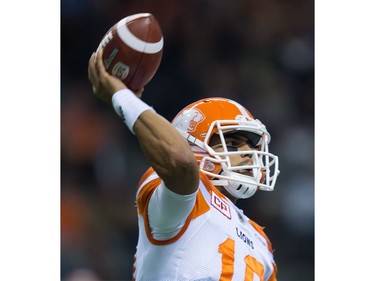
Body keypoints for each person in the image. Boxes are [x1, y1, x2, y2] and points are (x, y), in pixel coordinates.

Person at [88, 49, 280, 281]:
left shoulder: (261, 242)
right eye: (230, 143)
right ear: (193, 147)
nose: (248, 155)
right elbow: (180, 163)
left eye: (250, 146)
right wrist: (122, 96)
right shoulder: (181, 199)